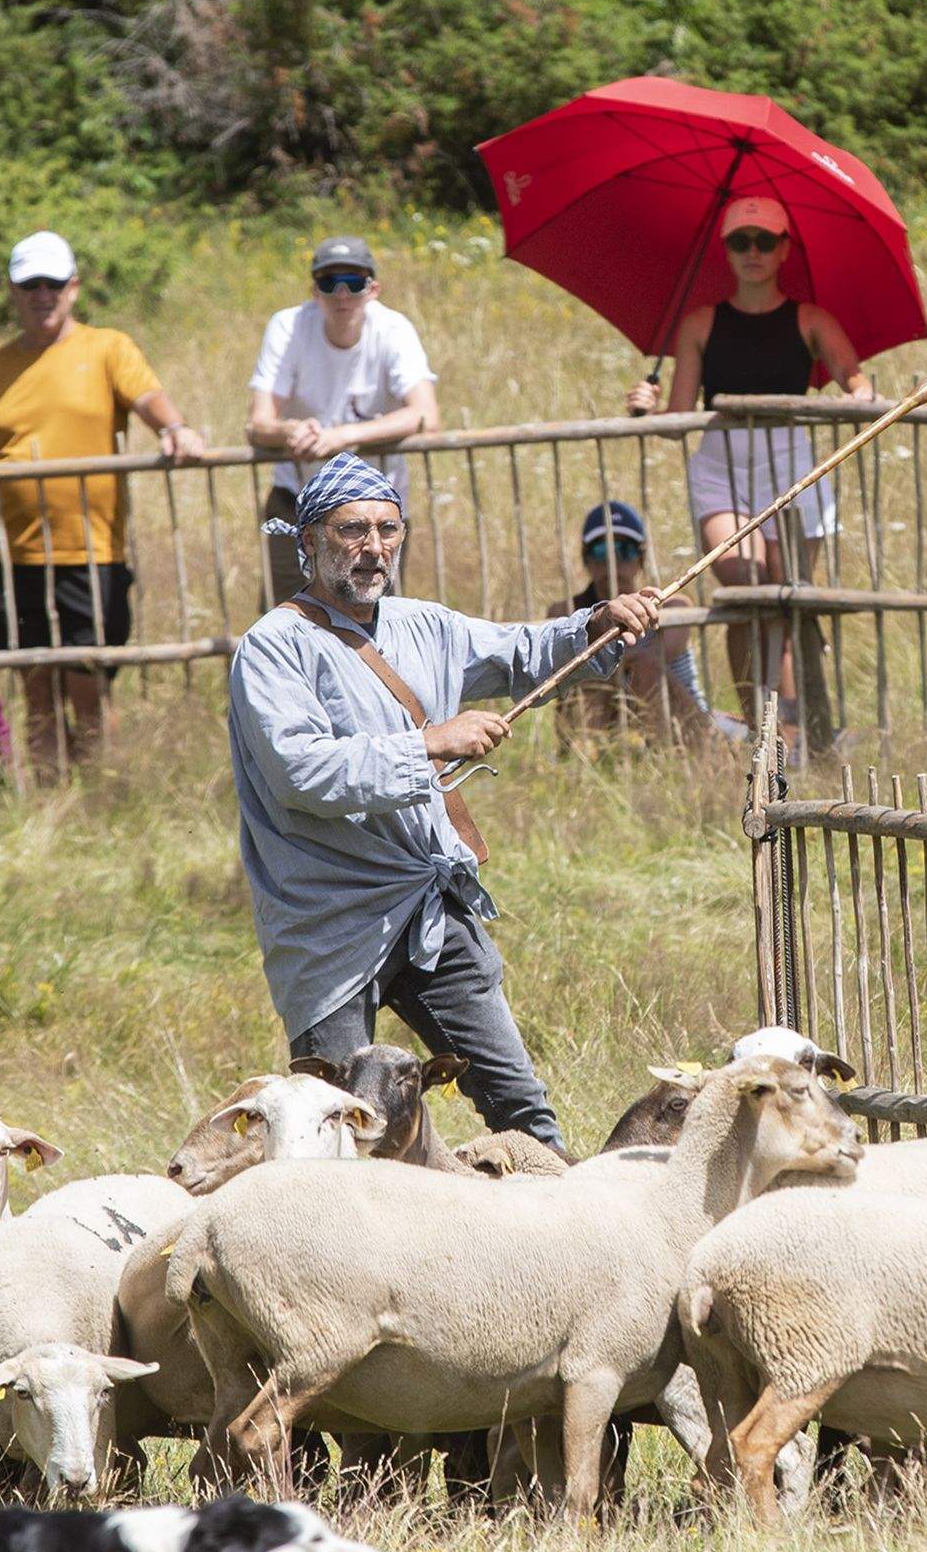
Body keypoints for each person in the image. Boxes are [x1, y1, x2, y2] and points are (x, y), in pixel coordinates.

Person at [228, 456, 659, 1157]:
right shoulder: (273, 649)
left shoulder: (424, 624)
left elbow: (522, 650)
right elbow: (301, 774)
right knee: (337, 1133)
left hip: (427, 902)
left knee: (521, 1107)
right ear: (307, 542)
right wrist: (428, 744)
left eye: (387, 529)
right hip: (328, 922)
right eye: (352, 530)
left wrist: (593, 627)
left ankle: (556, 1242)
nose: (373, 547)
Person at [0, 231, 212, 770]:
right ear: (12, 291)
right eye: (30, 284)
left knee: (88, 687)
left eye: (53, 283)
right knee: (37, 690)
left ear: (73, 288)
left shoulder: (108, 349)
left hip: (91, 554)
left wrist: (177, 429)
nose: (42, 294)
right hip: (11, 559)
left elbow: (148, 398)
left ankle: (101, 797)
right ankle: (51, 802)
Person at [623, 194, 872, 757]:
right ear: (726, 251)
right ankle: (770, 731)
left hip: (792, 467)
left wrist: (865, 395)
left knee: (787, 597)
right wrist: (647, 405)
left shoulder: (812, 319)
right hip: (723, 466)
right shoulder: (701, 323)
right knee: (743, 583)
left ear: (785, 248)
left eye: (764, 241)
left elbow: (856, 382)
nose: (753, 252)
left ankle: (800, 726)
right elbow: (676, 420)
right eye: (740, 241)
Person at [245, 236, 439, 607]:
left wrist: (344, 436)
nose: (342, 294)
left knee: (374, 618)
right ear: (314, 291)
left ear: (374, 289)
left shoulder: (393, 329)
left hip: (375, 508)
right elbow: (258, 423)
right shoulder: (288, 326)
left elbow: (427, 415)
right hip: (298, 503)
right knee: (289, 618)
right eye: (328, 282)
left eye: (354, 282)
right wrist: (290, 430)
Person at [543, 502, 736, 745]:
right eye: (602, 550)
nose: (613, 563)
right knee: (588, 681)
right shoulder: (566, 610)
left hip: (681, 721)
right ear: (587, 559)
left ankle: (668, 756)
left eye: (624, 550)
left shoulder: (673, 606)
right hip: (604, 719)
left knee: (641, 668)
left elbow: (647, 659)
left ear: (640, 558)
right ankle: (593, 761)